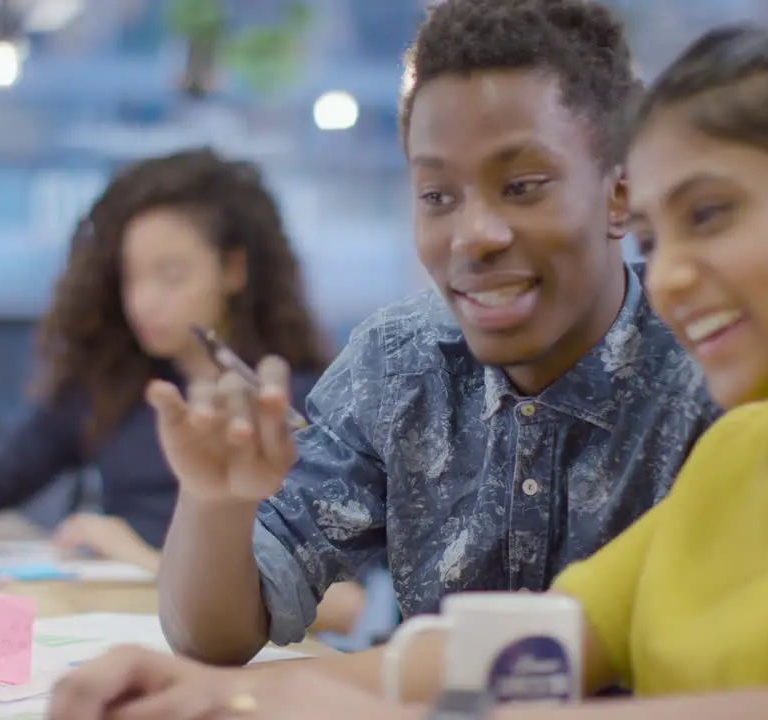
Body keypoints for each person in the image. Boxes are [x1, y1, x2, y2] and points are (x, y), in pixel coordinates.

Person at [49, 22, 768, 720]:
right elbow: (526, 647)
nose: (670, 275)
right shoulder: (750, 444)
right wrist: (226, 698)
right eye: (659, 240)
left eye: (710, 216)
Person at [122, 0, 716, 677]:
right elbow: (213, 638)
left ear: (620, 194)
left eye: (521, 186)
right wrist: (215, 499)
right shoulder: (400, 363)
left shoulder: (712, 370)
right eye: (438, 196)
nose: (473, 235)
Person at [0, 148, 333, 576]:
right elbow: (4, 472)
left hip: (236, 639)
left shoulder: (291, 408)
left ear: (233, 269)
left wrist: (138, 558)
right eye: (130, 277)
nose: (143, 301)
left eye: (172, 276)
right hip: (123, 620)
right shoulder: (114, 387)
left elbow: (343, 602)